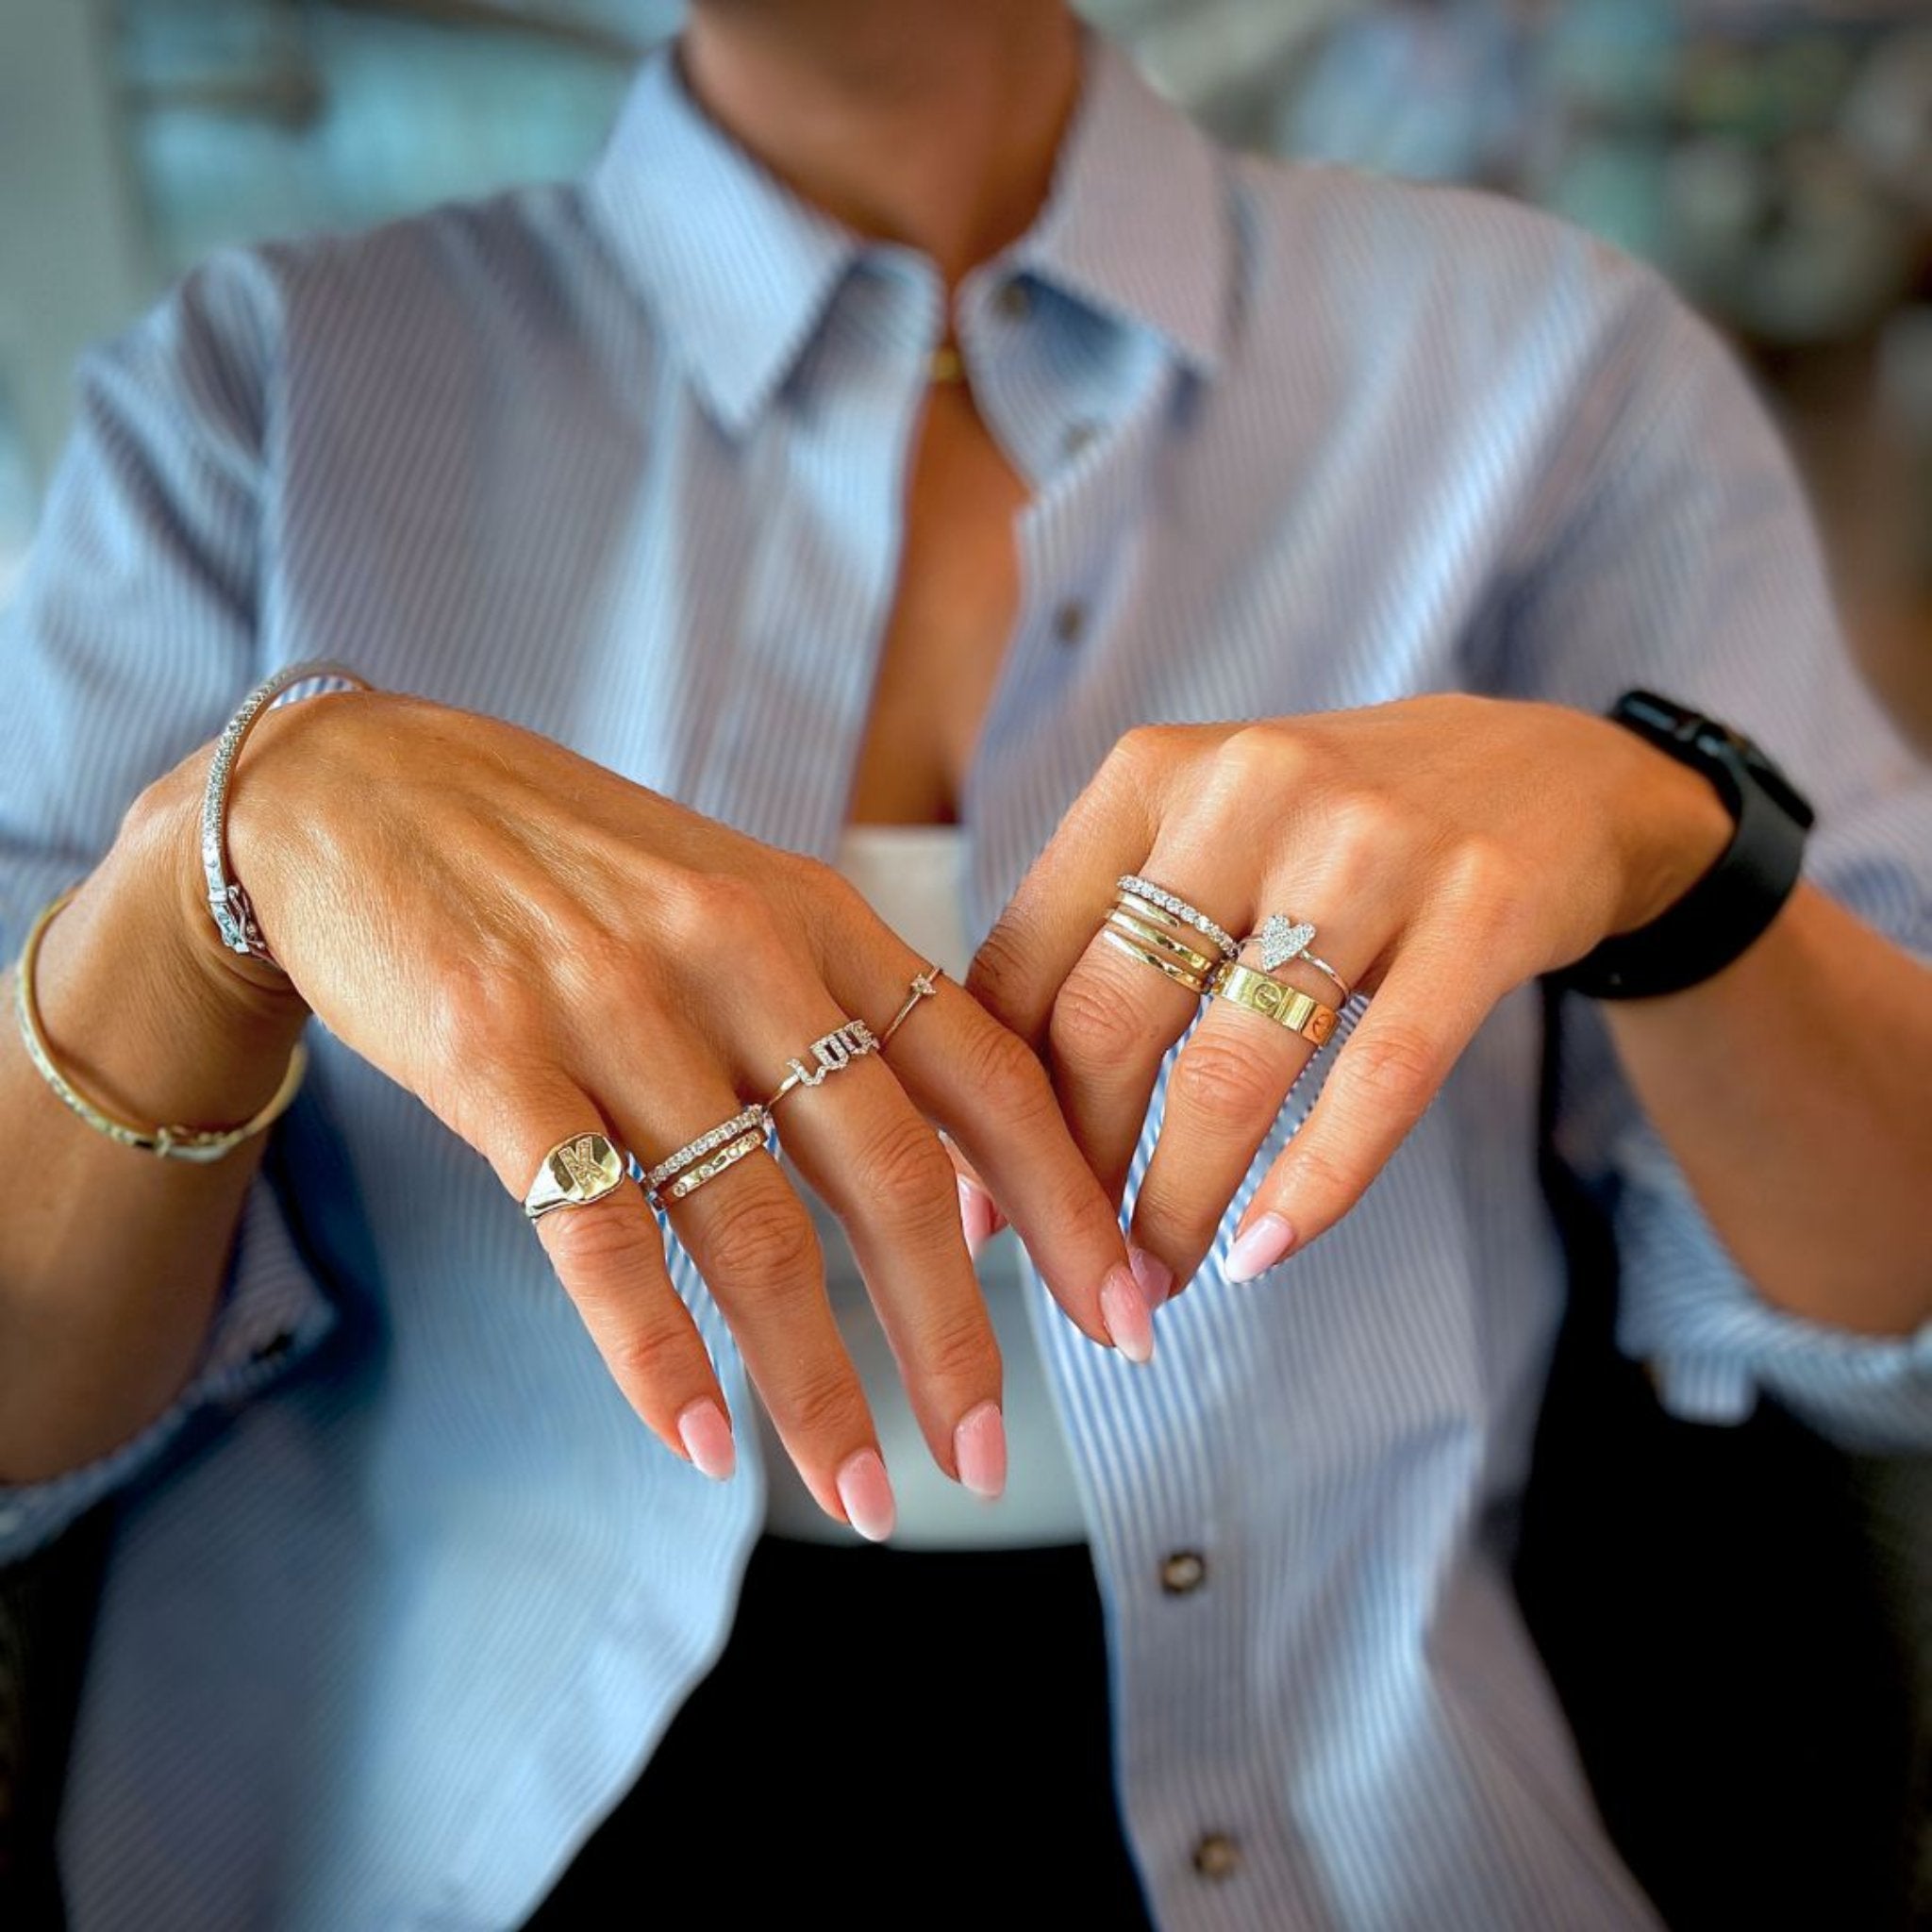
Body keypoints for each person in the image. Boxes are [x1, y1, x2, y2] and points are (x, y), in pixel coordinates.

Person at [2, 2, 1927, 1925]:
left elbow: (1900, 1314)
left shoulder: (1544, 369)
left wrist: (1674, 845)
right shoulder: (256, 393)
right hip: (424, 1814)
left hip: (1360, 1809)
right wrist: (211, 870)